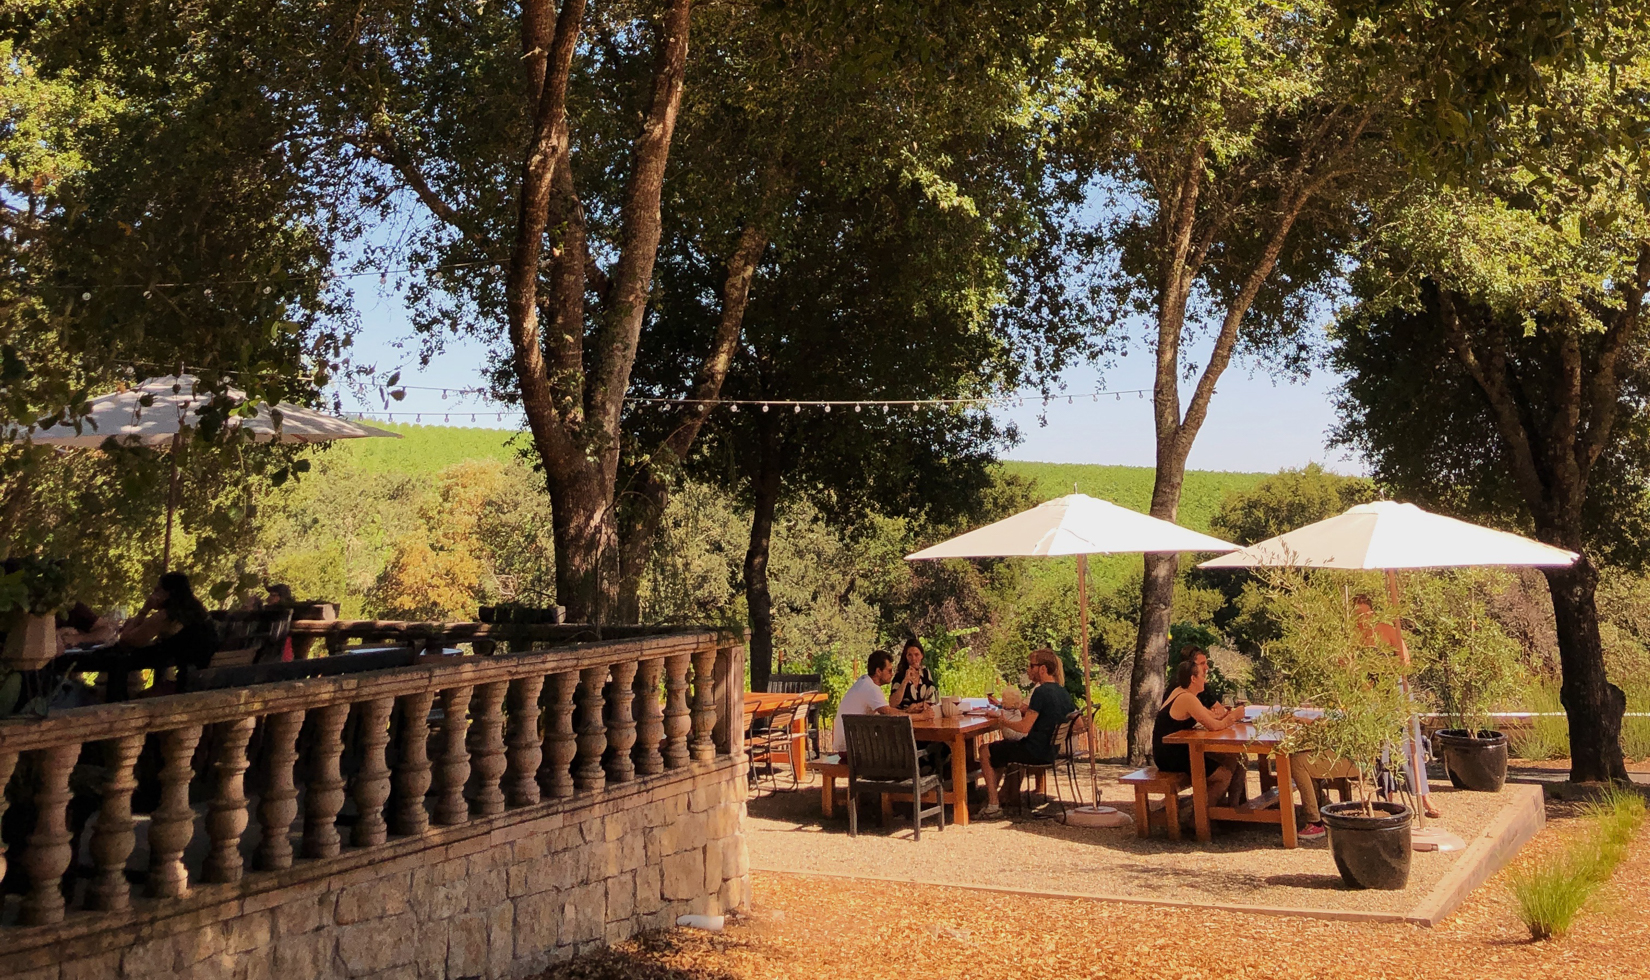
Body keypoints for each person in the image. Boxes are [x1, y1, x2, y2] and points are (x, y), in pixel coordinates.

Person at [976, 648, 1077, 818]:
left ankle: (993, 805)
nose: (1028, 670)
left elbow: (1024, 727)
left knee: (985, 750)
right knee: (1000, 750)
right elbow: (1079, 723)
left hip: (1034, 752)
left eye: (1031, 666)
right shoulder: (1062, 691)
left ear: (1042, 669)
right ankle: (1000, 796)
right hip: (1050, 751)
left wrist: (1002, 720)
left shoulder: (1040, 692)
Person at [1150, 656, 1247, 810]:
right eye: (1202, 676)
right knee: (1223, 776)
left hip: (1176, 750)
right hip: (1170, 755)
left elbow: (1210, 716)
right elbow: (1214, 726)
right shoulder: (1187, 698)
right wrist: (1234, 716)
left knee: (1236, 757)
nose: (1205, 680)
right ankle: (1197, 819)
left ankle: (1233, 809)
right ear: (1193, 679)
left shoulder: (1182, 692)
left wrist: (1224, 715)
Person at [110, 572, 219, 699]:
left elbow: (127, 640)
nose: (153, 594)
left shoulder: (167, 616)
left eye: (157, 590)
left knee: (118, 661)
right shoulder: (195, 612)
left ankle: (115, 703)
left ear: (167, 594)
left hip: (184, 684)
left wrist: (145, 609)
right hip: (198, 676)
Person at [831, 650, 930, 754]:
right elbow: (891, 715)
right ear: (878, 671)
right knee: (903, 751)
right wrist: (922, 717)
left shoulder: (864, 682)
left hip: (849, 747)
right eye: (889, 671)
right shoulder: (871, 688)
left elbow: (888, 712)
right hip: (853, 750)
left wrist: (908, 711)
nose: (892, 674)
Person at [889, 638, 938, 712]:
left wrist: (917, 706)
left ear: (922, 655)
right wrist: (905, 681)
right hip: (904, 717)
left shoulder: (925, 673)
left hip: (923, 717)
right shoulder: (900, 676)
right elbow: (892, 704)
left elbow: (932, 699)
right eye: (910, 655)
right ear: (906, 657)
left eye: (916, 655)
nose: (913, 658)